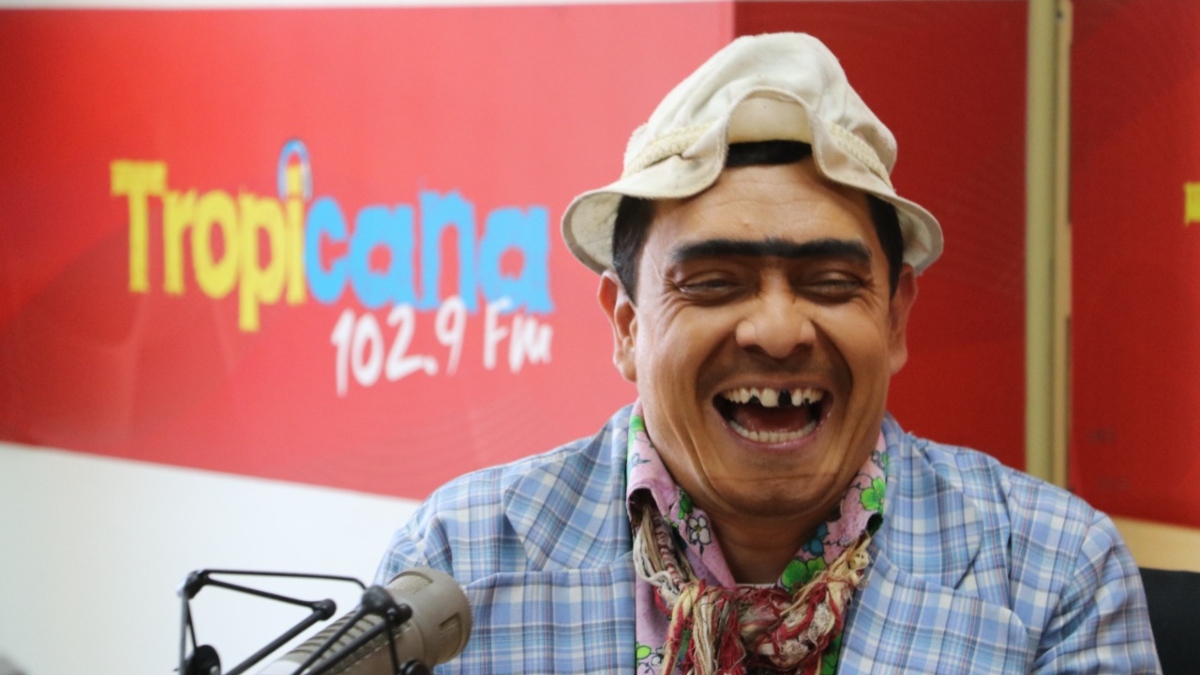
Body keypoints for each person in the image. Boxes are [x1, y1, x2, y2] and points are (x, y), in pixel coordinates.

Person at [376, 33, 1160, 674]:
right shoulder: (460, 564)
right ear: (626, 324)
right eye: (714, 283)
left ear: (895, 318)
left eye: (830, 283)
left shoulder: (1052, 575)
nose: (779, 331)